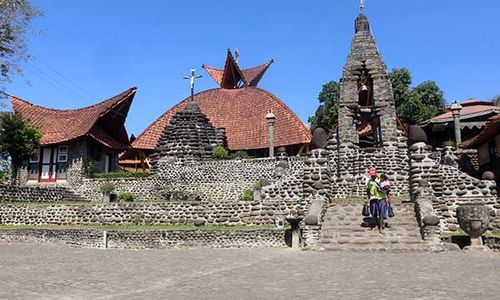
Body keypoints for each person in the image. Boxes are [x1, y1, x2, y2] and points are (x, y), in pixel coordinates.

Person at [365, 167, 388, 233]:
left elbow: (386, 189)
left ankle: (380, 227)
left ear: (376, 173)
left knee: (381, 213)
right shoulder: (368, 181)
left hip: (381, 198)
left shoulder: (381, 179)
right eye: (371, 175)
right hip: (373, 198)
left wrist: (381, 190)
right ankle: (377, 223)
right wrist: (367, 199)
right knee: (373, 212)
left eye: (373, 175)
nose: (372, 176)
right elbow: (368, 190)